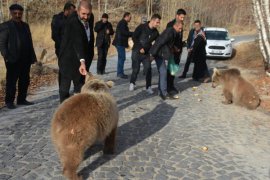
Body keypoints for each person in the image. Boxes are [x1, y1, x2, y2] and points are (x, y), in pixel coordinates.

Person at [0, 4, 37, 109]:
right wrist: (6, 57)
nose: (17, 15)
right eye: (15, 13)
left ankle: (21, 99)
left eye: (20, 13)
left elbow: (29, 42)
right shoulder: (5, 26)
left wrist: (33, 57)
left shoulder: (25, 25)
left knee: (25, 80)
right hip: (12, 59)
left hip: (25, 58)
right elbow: (2, 44)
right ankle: (9, 101)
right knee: (11, 81)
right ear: (11, 13)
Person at [58, 0, 93, 103]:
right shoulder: (73, 21)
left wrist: (85, 60)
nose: (86, 17)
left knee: (80, 88)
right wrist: (82, 61)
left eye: (88, 14)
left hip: (82, 60)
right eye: (83, 14)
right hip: (68, 59)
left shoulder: (90, 17)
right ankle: (63, 111)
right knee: (64, 89)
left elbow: (89, 38)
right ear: (77, 11)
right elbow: (77, 41)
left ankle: (78, 111)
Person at [150, 21, 183, 100]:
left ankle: (160, 91)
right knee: (163, 72)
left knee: (163, 72)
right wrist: (152, 55)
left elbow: (167, 43)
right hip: (158, 54)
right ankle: (164, 93)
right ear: (175, 26)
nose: (180, 30)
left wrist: (173, 48)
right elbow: (160, 42)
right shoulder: (170, 32)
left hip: (160, 54)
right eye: (180, 28)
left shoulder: (173, 32)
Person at [129, 14, 161, 94]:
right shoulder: (141, 27)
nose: (158, 24)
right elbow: (134, 37)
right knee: (136, 69)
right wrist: (140, 47)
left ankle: (148, 87)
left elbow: (158, 43)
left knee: (148, 69)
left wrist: (153, 54)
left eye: (159, 23)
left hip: (146, 54)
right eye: (157, 22)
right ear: (152, 21)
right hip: (136, 51)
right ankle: (132, 82)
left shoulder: (156, 32)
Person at [166, 9, 186, 96]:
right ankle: (168, 87)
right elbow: (168, 39)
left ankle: (171, 84)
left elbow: (179, 38)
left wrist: (182, 44)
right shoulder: (170, 25)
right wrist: (174, 47)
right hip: (172, 51)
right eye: (181, 17)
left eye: (183, 18)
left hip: (178, 51)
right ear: (177, 15)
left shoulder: (182, 25)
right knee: (170, 69)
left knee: (174, 69)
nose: (182, 19)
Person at [112, 12, 133, 79]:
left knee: (121, 58)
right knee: (122, 58)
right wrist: (133, 33)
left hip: (120, 43)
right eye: (130, 17)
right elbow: (124, 32)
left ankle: (120, 72)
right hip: (119, 43)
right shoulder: (123, 23)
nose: (131, 18)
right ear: (126, 17)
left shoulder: (123, 23)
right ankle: (120, 73)